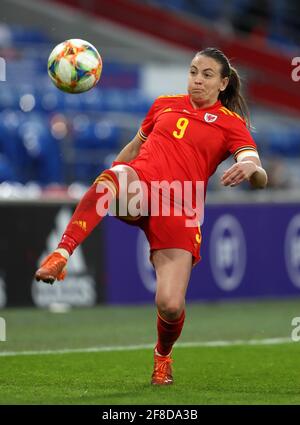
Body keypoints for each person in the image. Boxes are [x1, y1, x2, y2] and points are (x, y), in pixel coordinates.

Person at [35, 47, 268, 386]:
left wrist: (250, 168)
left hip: (181, 209)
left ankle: (162, 355)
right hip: (141, 188)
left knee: (170, 304)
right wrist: (113, 179)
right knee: (113, 178)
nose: (197, 80)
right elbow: (132, 150)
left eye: (206, 75)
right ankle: (62, 252)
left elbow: (258, 172)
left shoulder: (232, 124)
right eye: (193, 72)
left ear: (223, 83)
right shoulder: (164, 104)